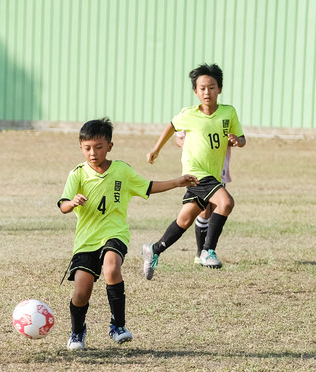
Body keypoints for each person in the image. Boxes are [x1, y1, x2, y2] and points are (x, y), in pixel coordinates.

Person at [58, 118, 197, 350]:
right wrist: (72, 203)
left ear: (110, 146)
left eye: (99, 147)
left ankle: (118, 326)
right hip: (85, 241)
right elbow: (62, 204)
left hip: (115, 233)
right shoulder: (78, 174)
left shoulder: (122, 170)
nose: (93, 153)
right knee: (81, 293)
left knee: (112, 268)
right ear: (81, 147)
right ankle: (77, 331)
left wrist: (178, 182)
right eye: (87, 148)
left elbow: (147, 187)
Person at [143, 63, 246, 280]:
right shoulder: (189, 114)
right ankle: (207, 251)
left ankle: (154, 249)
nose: (207, 92)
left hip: (213, 174)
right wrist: (156, 148)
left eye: (211, 87)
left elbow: (242, 139)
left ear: (220, 89)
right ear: (195, 91)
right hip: (196, 173)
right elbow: (171, 126)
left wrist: (238, 141)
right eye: (202, 88)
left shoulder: (229, 112)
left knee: (184, 221)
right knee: (226, 203)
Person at [175, 130, 233, 264]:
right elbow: (178, 139)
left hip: (218, 169)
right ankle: (202, 252)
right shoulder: (191, 115)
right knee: (205, 210)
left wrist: (230, 140)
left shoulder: (224, 116)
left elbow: (239, 140)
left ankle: (205, 251)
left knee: (214, 208)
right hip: (199, 170)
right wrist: (186, 144)